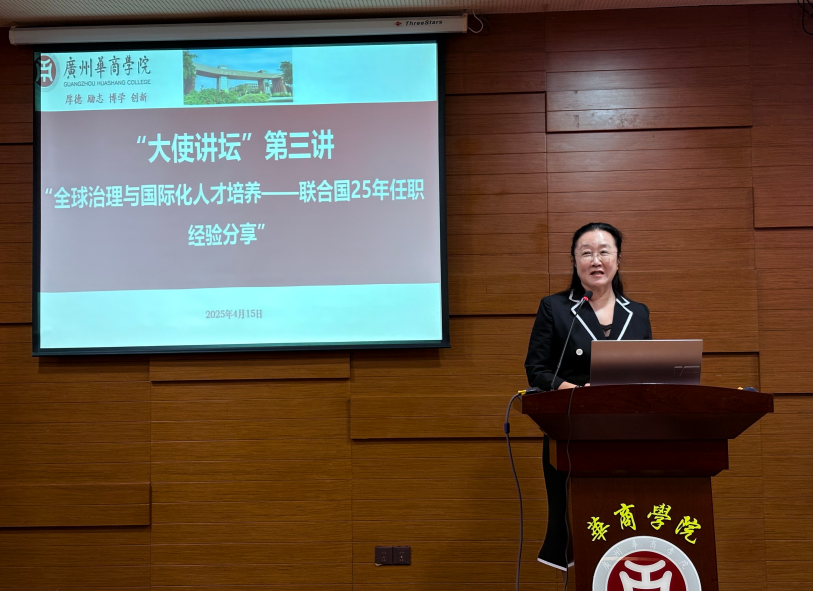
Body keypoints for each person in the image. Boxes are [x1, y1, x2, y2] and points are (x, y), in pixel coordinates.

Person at [524, 222, 652, 573]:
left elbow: (648, 371)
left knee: (623, 516)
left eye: (604, 252)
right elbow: (537, 370)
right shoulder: (555, 307)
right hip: (571, 431)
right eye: (587, 253)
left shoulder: (638, 313)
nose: (596, 260)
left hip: (626, 435)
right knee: (577, 523)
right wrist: (579, 393)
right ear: (575, 260)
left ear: (618, 260)